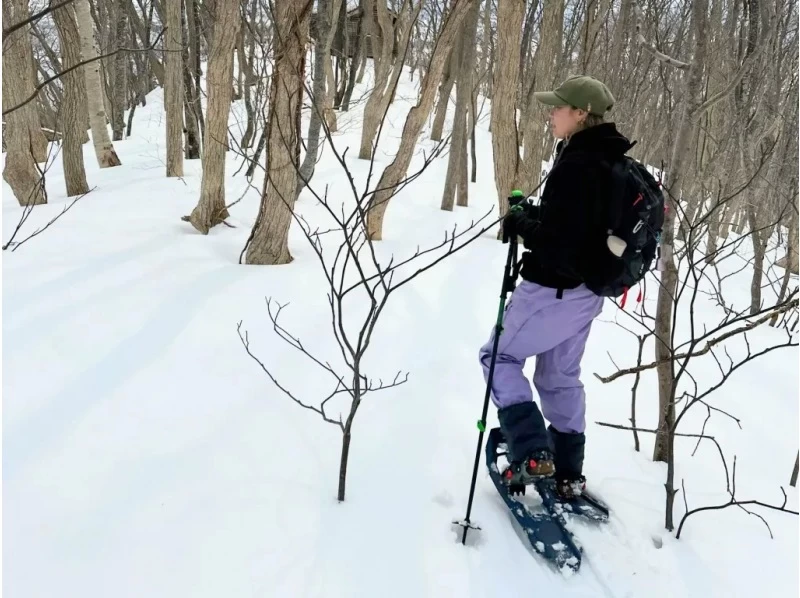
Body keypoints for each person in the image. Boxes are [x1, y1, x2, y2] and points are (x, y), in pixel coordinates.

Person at [479, 75, 635, 499]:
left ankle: (532, 453)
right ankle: (568, 471)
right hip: (588, 293)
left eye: (558, 107)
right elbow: (578, 227)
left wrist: (522, 223)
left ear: (580, 113)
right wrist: (538, 217)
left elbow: (561, 242)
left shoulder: (579, 164)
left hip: (551, 289)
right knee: (558, 376)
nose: (551, 113)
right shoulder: (612, 161)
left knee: (498, 357)